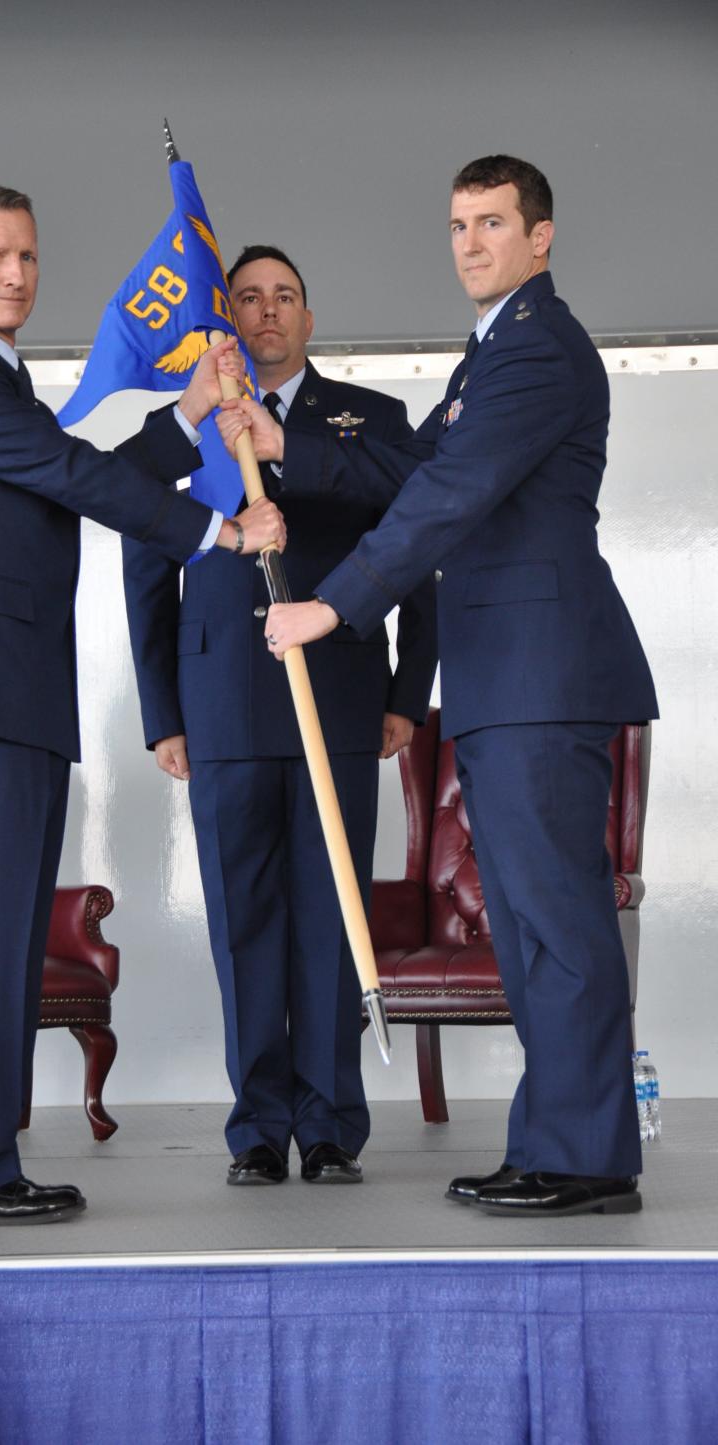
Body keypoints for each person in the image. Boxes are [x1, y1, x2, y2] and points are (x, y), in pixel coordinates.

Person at [221, 158, 658, 1217]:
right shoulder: (492, 350)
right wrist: (291, 449)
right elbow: (415, 470)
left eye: (493, 223)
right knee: (528, 923)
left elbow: (447, 499)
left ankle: (589, 1156)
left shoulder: (538, 348)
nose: (470, 242)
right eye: (459, 223)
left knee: (558, 919)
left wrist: (335, 605)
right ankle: (556, 1142)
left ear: (541, 236)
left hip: (544, 673)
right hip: (509, 676)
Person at [0, 185, 285, 1227]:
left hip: (7, 696)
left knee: (2, 935)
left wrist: (187, 415)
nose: (15, 273)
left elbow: (57, 479)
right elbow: (67, 471)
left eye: (28, 254)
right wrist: (217, 533)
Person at [123, 246, 436, 1186]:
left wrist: (405, 695)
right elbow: (147, 567)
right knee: (244, 916)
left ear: (309, 318)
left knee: (332, 912)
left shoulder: (373, 421)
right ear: (227, 317)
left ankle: (331, 1121)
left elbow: (421, 550)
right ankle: (258, 1125)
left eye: (283, 298)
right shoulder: (183, 431)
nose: (266, 313)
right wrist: (161, 710)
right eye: (247, 298)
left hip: (340, 695)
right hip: (221, 704)